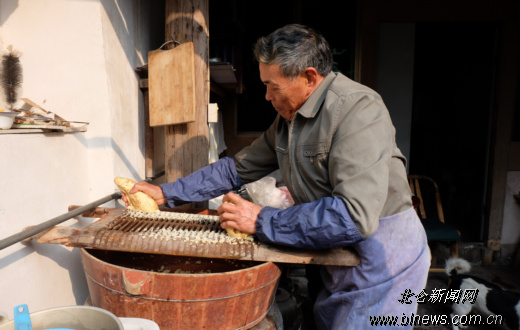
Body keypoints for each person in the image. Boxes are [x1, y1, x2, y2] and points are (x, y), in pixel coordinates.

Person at [123, 24, 430, 329]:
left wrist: (260, 220)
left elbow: (353, 216)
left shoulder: (358, 109)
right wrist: (167, 194)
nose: (267, 96)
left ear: (309, 77)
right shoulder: (288, 119)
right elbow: (237, 168)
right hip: (334, 252)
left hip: (384, 259)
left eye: (273, 86)